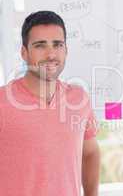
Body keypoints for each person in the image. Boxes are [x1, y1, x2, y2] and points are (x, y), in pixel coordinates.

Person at [0, 11, 100, 196]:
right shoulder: (3, 102)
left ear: (66, 50)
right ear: (24, 52)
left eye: (57, 45)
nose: (51, 54)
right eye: (40, 46)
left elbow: (90, 153)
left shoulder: (79, 99)